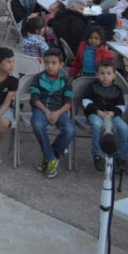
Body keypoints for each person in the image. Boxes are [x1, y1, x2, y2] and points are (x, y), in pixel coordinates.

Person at [30, 48, 74, 178]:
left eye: (53, 63)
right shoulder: (38, 78)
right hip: (41, 109)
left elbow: (68, 102)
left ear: (61, 65)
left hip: (59, 110)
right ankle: (51, 158)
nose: (49, 66)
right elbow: (35, 99)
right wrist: (47, 112)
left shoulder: (66, 80)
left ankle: (50, 156)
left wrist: (57, 113)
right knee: (37, 125)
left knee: (70, 130)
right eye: (47, 62)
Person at [82, 61, 128, 172]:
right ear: (97, 74)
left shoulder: (117, 90)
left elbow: (122, 106)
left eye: (108, 73)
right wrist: (97, 111)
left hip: (112, 115)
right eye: (102, 73)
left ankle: (120, 158)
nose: (105, 76)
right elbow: (86, 101)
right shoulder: (92, 87)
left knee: (124, 128)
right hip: (96, 114)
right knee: (97, 125)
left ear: (114, 75)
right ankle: (97, 155)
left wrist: (114, 113)